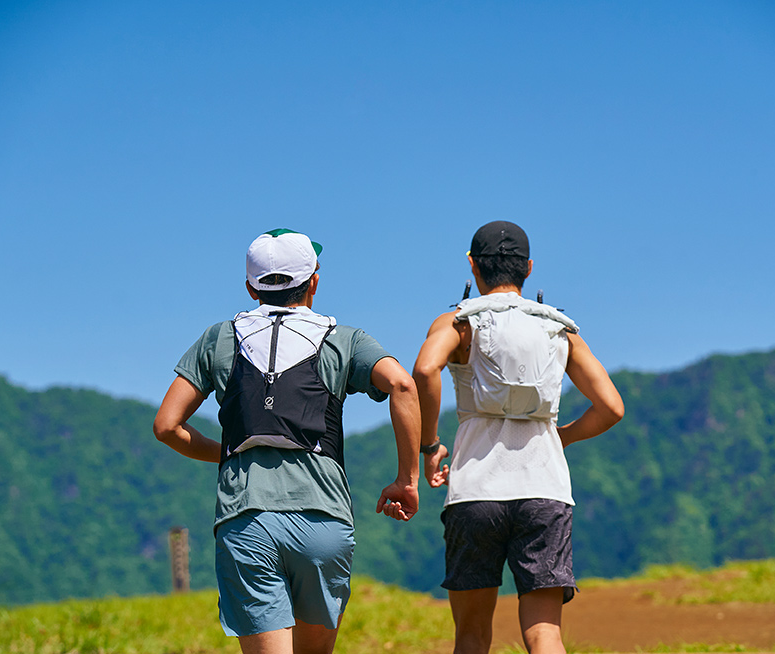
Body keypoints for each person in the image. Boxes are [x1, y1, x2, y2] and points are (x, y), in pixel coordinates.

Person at [153, 228, 420, 654]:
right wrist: (407, 478)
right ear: (314, 281)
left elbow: (167, 426)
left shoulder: (219, 338)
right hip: (323, 520)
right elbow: (403, 386)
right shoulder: (345, 338)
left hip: (247, 518)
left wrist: (226, 454)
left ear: (249, 288)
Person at [412, 221, 624, 654]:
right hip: (545, 490)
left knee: (471, 635)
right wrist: (560, 438)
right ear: (528, 268)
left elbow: (424, 369)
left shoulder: (459, 321)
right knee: (545, 634)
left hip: (474, 492)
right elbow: (611, 408)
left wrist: (430, 445)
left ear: (473, 266)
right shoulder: (559, 327)